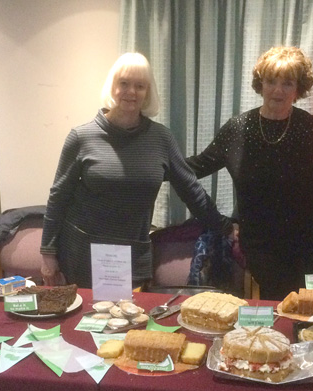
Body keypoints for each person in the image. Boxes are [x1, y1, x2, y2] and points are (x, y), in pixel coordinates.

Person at [40, 53, 232, 288]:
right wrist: (48, 254)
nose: (131, 92)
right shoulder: (82, 137)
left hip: (132, 256)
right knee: (84, 323)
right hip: (82, 254)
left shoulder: (161, 138)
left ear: (147, 92)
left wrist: (225, 227)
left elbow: (191, 190)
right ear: (113, 86)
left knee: (129, 323)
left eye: (139, 86)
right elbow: (58, 198)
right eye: (124, 83)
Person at [185, 46, 313, 301]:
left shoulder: (312, 128)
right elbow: (196, 167)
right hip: (262, 251)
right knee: (279, 321)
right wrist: (152, 161)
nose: (278, 90)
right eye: (271, 81)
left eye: (287, 83)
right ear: (260, 84)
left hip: (311, 249)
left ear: (299, 88)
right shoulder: (238, 129)